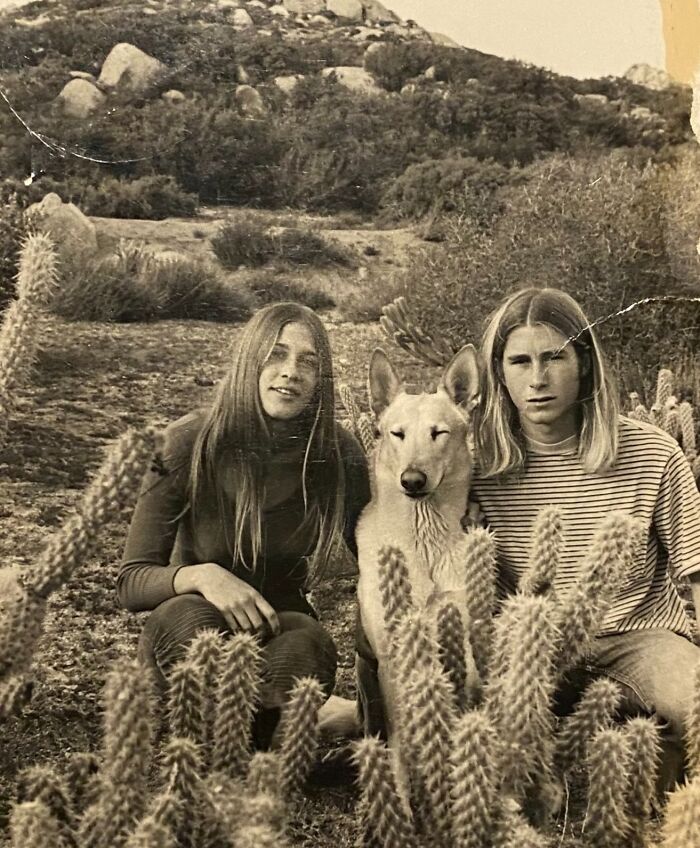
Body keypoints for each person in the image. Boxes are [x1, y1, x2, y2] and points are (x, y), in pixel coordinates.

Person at [470, 286, 700, 787]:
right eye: (519, 361)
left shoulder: (651, 451)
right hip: (529, 645)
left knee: (695, 701)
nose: (537, 379)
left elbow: (697, 568)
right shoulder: (475, 466)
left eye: (554, 357)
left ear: (586, 364)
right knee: (466, 740)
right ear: (497, 372)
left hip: (641, 640)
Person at [118, 302, 371, 746]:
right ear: (249, 359)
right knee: (192, 620)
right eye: (275, 354)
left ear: (320, 380)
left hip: (279, 630)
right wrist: (202, 576)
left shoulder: (337, 451)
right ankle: (232, 737)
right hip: (189, 629)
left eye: (308, 362)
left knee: (309, 641)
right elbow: (132, 581)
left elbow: (375, 553)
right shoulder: (185, 443)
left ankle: (245, 737)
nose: (290, 371)